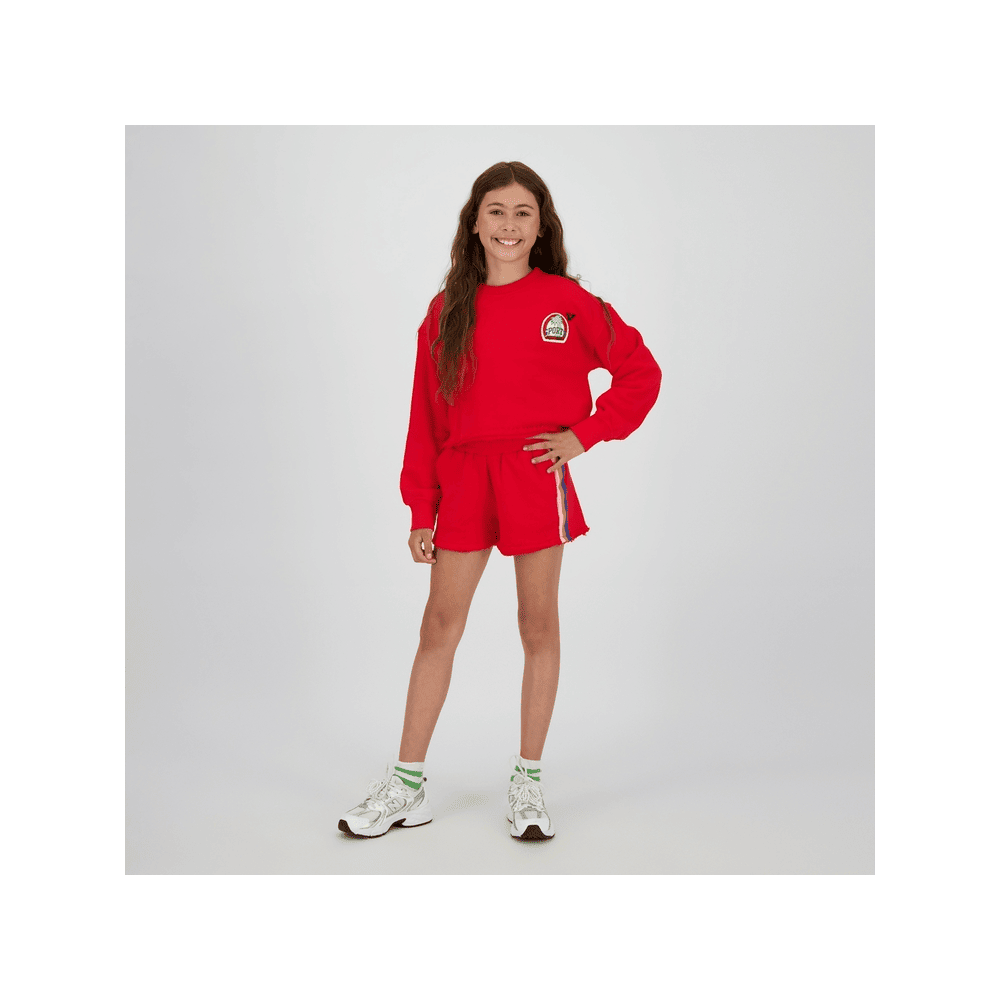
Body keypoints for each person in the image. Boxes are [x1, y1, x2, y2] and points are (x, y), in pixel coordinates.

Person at [338, 161, 661, 841]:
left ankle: (528, 781)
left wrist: (584, 434)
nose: (508, 225)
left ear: (541, 226)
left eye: (522, 213)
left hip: (533, 473)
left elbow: (640, 372)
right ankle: (406, 785)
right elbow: (425, 417)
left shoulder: (568, 303)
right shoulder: (445, 311)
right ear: (475, 223)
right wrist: (420, 508)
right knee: (438, 625)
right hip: (463, 477)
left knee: (536, 624)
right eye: (496, 211)